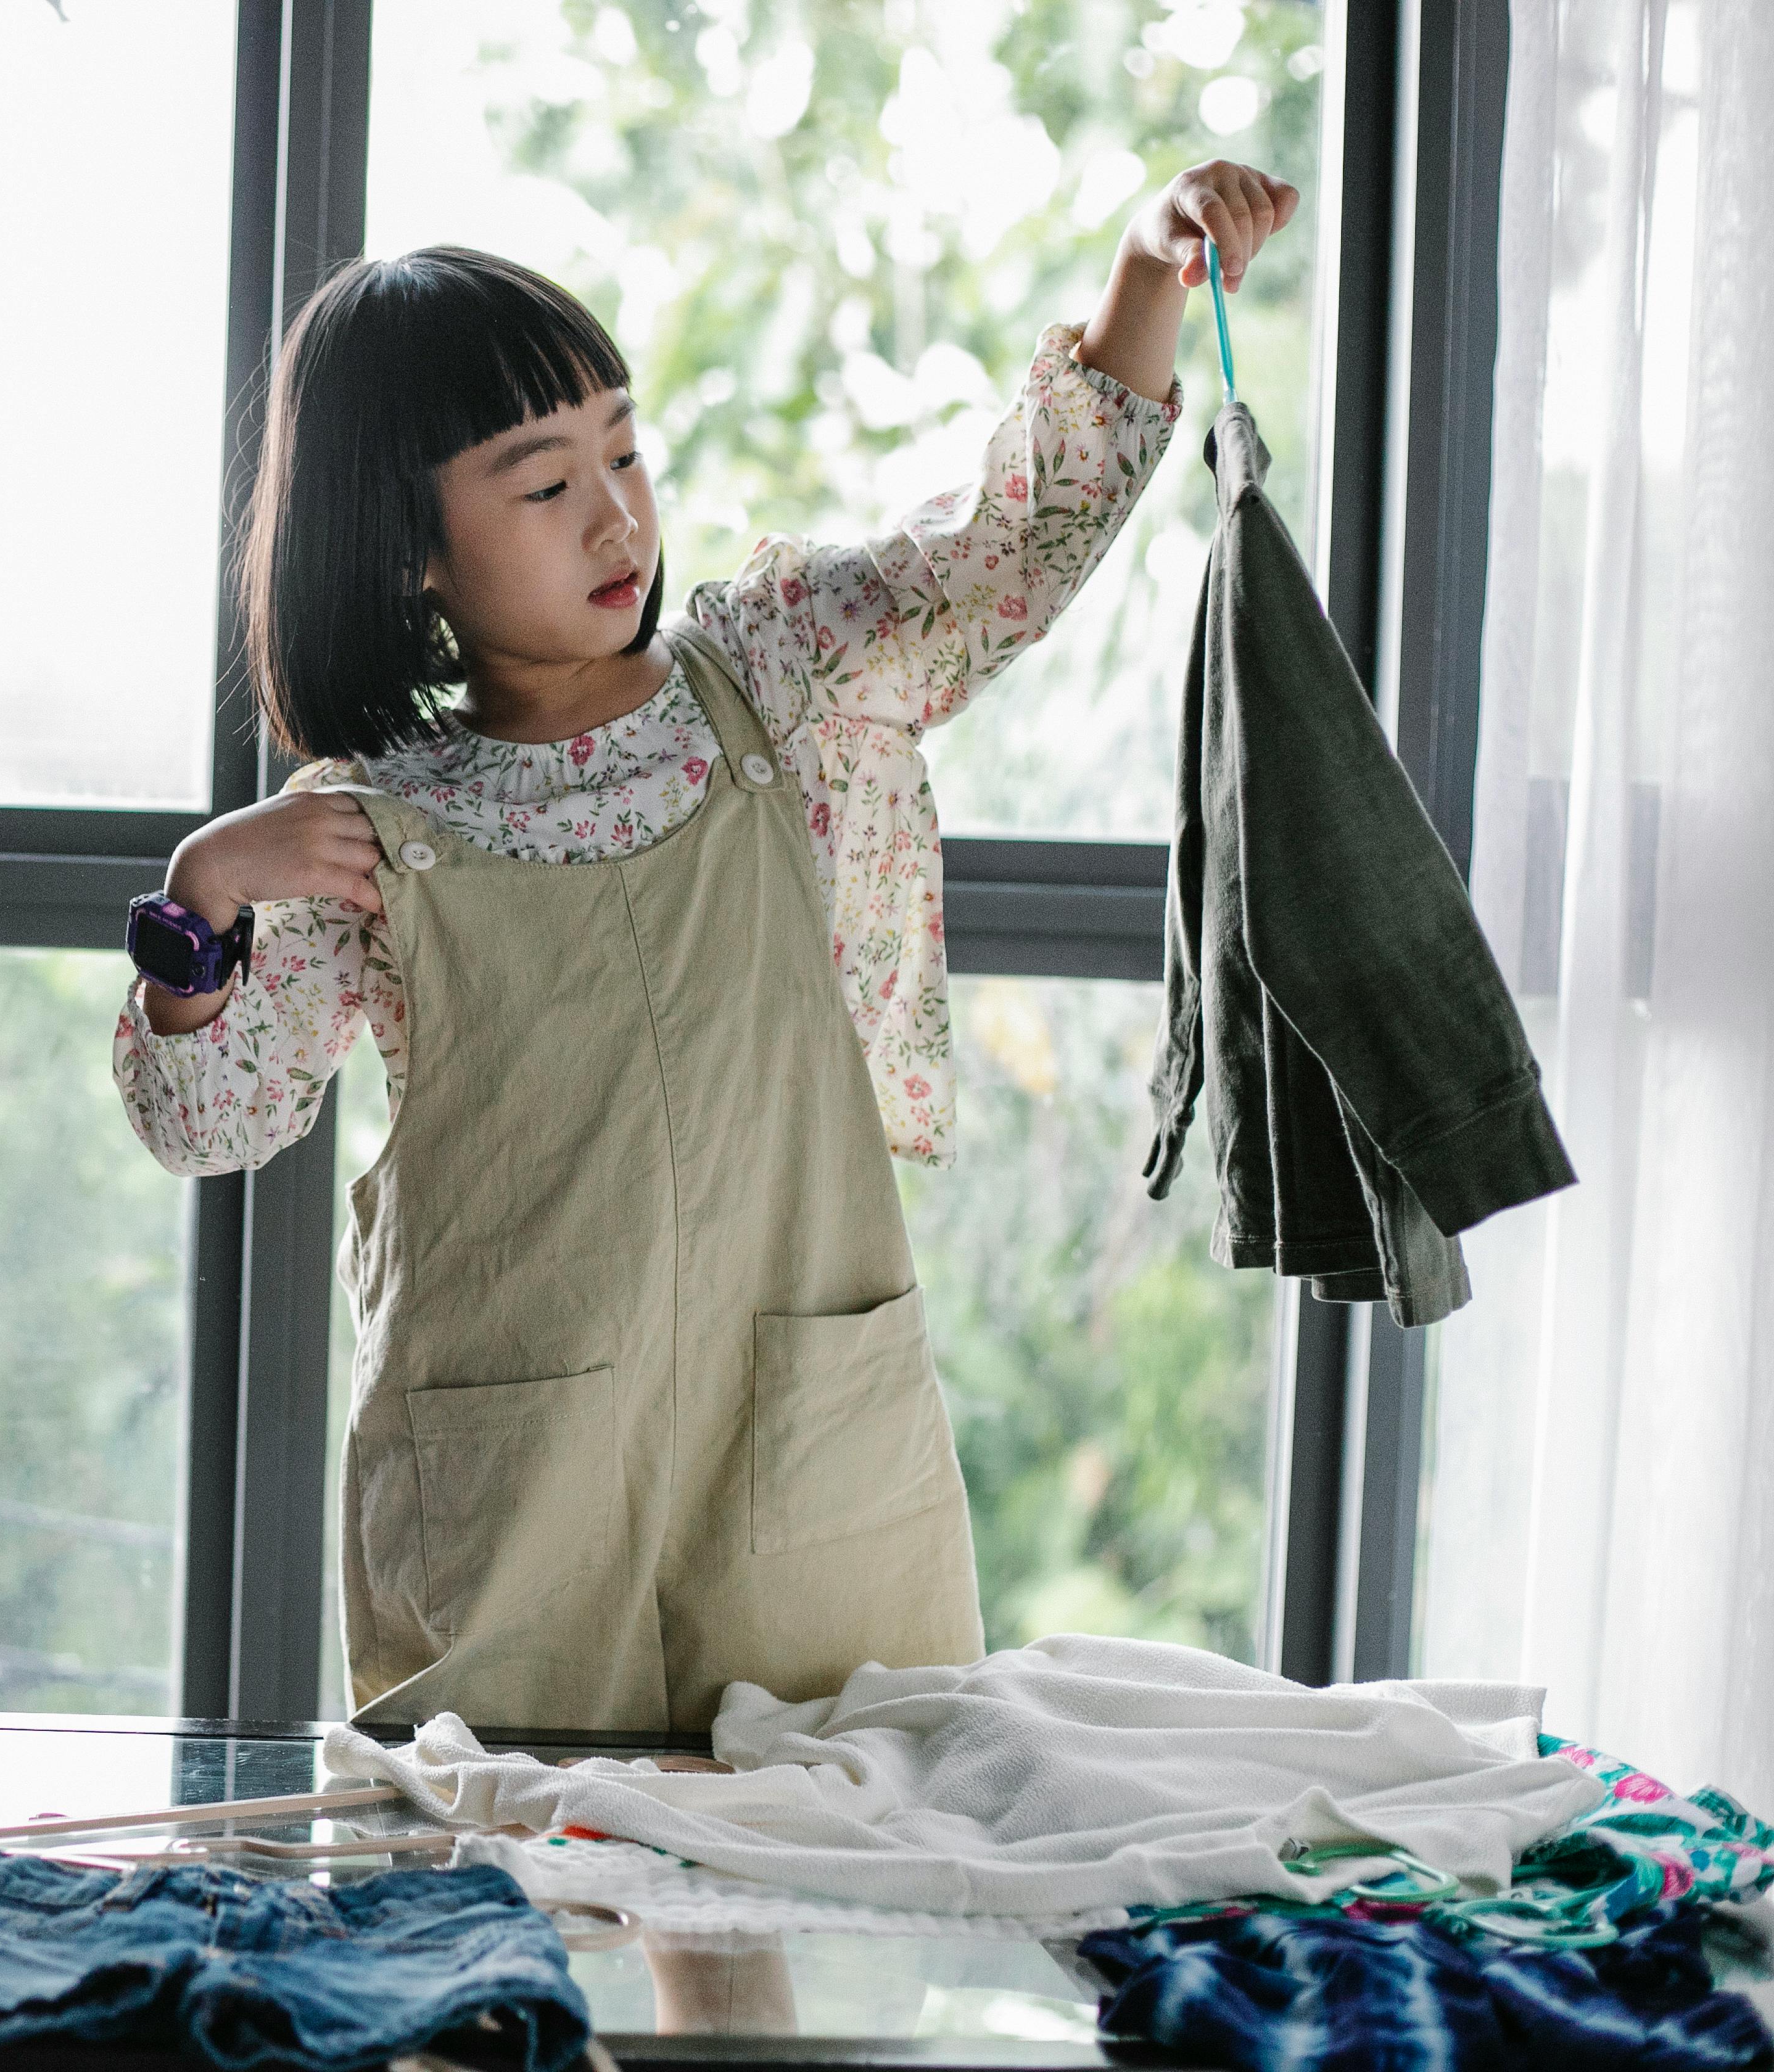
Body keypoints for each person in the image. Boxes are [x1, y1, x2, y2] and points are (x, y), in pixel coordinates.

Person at [116, 163, 1299, 1733]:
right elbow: (217, 1123)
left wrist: (1144, 283)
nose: (615, 512)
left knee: (791, 1878)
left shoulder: (781, 673)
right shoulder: (368, 827)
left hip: (796, 1424)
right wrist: (200, 905)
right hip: (519, 1483)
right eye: (544, 486)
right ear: (409, 553)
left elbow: (1004, 558)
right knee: (508, 1895)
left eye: (625, 450)